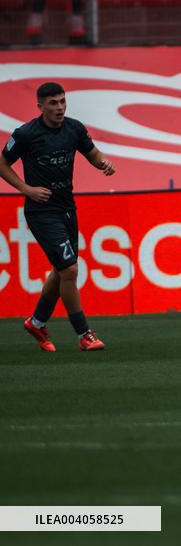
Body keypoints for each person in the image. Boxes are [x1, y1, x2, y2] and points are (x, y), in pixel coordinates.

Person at [0, 82, 116, 352]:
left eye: (62, 101)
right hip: (41, 211)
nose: (60, 108)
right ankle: (84, 334)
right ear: (40, 107)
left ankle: (37, 322)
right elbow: (2, 163)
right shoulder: (26, 133)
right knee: (70, 270)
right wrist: (26, 189)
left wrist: (103, 163)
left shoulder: (74, 128)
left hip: (67, 207)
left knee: (61, 270)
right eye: (53, 103)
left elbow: (93, 153)